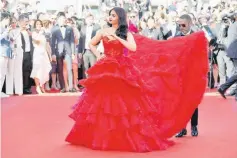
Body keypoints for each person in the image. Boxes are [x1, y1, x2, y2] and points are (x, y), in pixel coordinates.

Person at [66, 7, 208, 152]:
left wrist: (118, 38)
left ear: (119, 18)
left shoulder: (125, 33)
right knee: (102, 102)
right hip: (106, 67)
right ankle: (101, 135)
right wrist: (98, 54)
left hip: (121, 68)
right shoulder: (102, 31)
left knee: (124, 103)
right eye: (110, 15)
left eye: (113, 15)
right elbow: (91, 44)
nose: (110, 17)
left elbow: (133, 48)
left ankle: (121, 135)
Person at [175, 14, 199, 137]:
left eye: (183, 24)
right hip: (180, 74)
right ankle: (181, 128)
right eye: (179, 25)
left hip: (193, 74)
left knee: (193, 101)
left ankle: (194, 126)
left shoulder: (197, 36)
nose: (181, 27)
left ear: (190, 24)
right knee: (180, 102)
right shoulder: (176, 37)